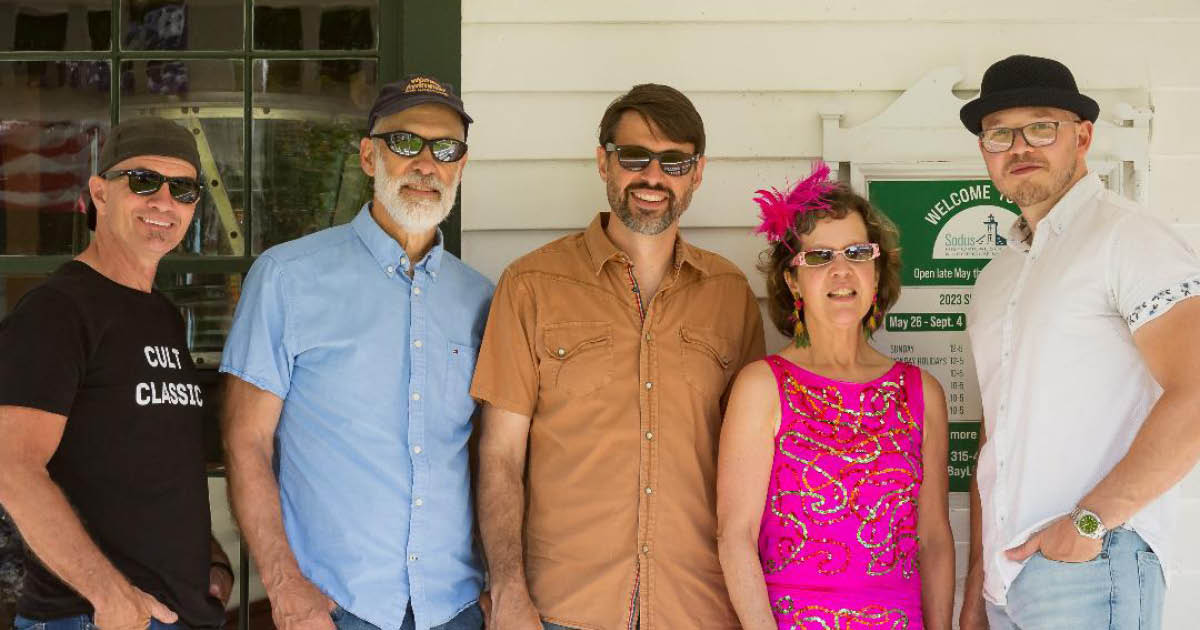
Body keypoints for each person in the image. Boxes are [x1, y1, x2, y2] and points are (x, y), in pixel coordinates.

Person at [471, 83, 766, 630]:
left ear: (697, 174)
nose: (653, 177)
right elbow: (500, 457)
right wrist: (508, 589)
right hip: (564, 608)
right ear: (603, 161)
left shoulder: (730, 294)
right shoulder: (531, 285)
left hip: (697, 606)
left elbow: (751, 468)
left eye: (674, 162)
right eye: (635, 157)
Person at [220, 75, 492, 630]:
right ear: (369, 156)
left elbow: (494, 457)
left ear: (460, 166)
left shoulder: (482, 300)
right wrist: (283, 584)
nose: (425, 163)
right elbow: (245, 443)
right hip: (333, 607)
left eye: (445, 148)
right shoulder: (287, 278)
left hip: (456, 608)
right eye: (405, 142)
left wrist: (500, 586)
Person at [957, 54, 1200, 630]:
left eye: (1041, 126)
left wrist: (1090, 525)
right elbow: (996, 442)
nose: (1020, 147)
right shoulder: (995, 280)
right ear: (985, 151)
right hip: (1004, 580)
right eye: (1000, 134)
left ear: (1082, 136)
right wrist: (976, 588)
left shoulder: (1128, 238)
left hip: (1093, 565)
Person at [0, 116, 234, 630]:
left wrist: (209, 559)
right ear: (99, 193)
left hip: (175, 613)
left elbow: (150, 468)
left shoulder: (163, 315)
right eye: (144, 181)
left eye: (184, 189)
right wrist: (111, 598)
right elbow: (12, 468)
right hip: (91, 617)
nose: (164, 202)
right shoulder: (58, 310)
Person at [715, 165, 954, 630]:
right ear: (791, 280)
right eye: (819, 256)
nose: (841, 270)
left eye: (857, 252)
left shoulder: (921, 393)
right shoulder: (762, 386)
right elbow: (735, 535)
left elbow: (934, 539)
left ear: (876, 267)